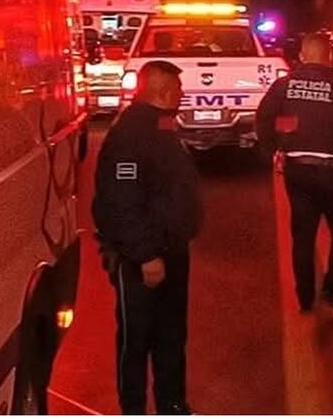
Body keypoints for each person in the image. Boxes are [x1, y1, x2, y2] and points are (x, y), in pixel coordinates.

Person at [93, 60, 201, 415]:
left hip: (170, 251)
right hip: (143, 260)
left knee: (171, 337)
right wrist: (145, 255)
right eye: (178, 89)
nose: (183, 95)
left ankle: (172, 405)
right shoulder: (131, 135)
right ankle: (134, 408)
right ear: (162, 92)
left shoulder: (162, 126)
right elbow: (120, 201)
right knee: (136, 341)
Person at [256, 32, 333, 313]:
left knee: (303, 235)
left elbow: (265, 118)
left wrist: (274, 147)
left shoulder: (284, 85)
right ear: (330, 57)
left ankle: (305, 298)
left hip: (297, 171)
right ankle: (332, 289)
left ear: (302, 56)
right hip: (332, 174)